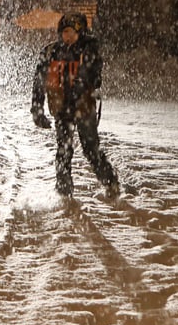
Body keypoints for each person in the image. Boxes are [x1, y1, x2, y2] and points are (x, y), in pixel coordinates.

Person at [31, 11, 120, 199]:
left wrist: (84, 80)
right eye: (65, 32)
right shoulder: (50, 52)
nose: (68, 36)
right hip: (62, 109)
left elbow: (95, 76)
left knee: (91, 149)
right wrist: (37, 108)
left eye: (72, 32)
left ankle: (110, 182)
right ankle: (64, 191)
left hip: (84, 107)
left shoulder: (89, 51)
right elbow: (39, 82)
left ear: (81, 33)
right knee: (63, 149)